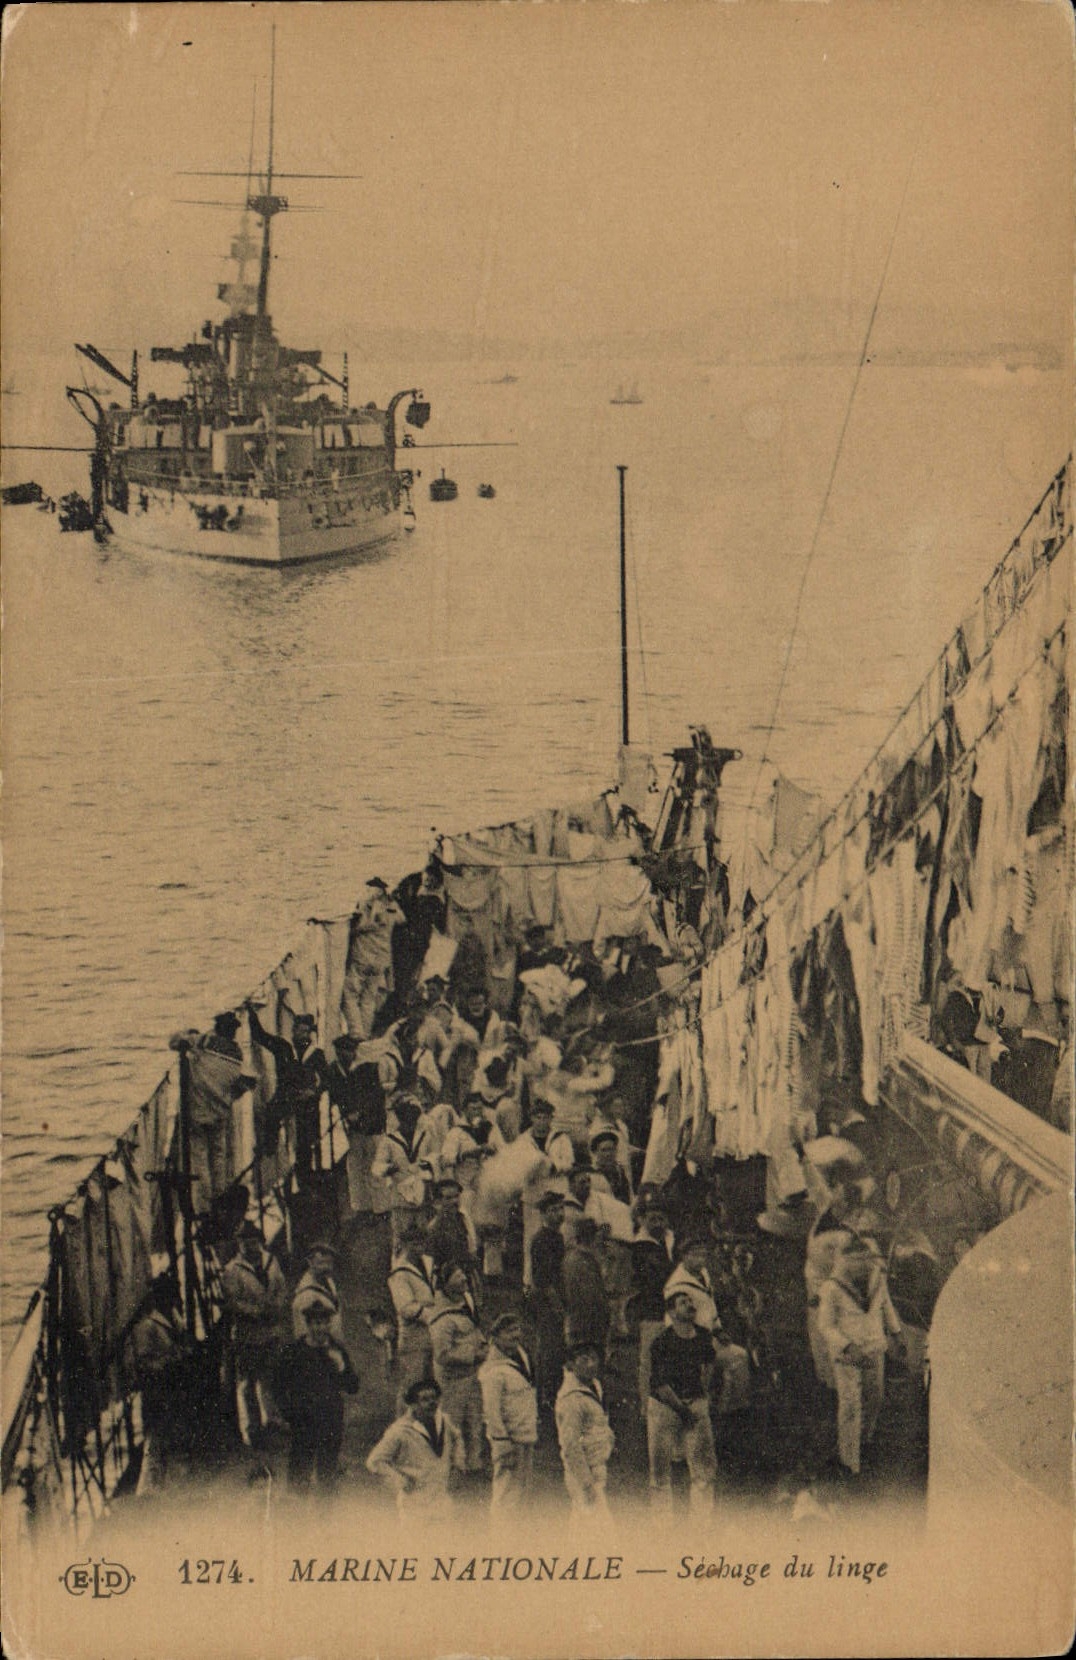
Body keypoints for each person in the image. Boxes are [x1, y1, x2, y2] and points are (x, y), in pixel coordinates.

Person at [816, 1234, 903, 1477]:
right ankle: (850, 1461)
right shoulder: (831, 1287)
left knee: (875, 1397)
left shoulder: (878, 1278)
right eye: (860, 1261)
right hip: (847, 1354)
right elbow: (826, 1326)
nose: (866, 1265)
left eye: (868, 1260)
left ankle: (865, 1439)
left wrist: (896, 1333)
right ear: (847, 1261)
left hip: (874, 1346)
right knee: (850, 1404)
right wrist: (846, 1346)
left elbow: (886, 1306)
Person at [272, 1296, 359, 1492]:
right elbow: (278, 1385)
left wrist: (341, 1366)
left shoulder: (337, 1351)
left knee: (327, 1473)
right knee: (299, 1472)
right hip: (303, 1419)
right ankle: (297, 1515)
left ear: (330, 1324)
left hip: (331, 1418)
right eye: (316, 1324)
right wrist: (289, 1413)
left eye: (325, 1323)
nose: (321, 1329)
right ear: (308, 1325)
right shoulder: (294, 1352)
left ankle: (325, 1515)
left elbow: (352, 1387)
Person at [646, 1288, 718, 1512]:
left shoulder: (704, 1336)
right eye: (683, 1302)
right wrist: (682, 1409)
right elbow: (660, 1384)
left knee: (704, 1469)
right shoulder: (662, 1342)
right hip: (664, 1406)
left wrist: (701, 1397)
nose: (690, 1305)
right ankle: (662, 1528)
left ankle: (702, 1526)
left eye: (690, 1301)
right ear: (672, 1312)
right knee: (660, 1473)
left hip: (694, 1404)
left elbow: (710, 1365)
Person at [663, 1239, 751, 1414]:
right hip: (690, 1342)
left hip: (709, 1338)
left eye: (703, 1255)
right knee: (715, 1370)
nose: (701, 1259)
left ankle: (731, 1408)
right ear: (684, 1256)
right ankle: (718, 1411)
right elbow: (674, 1321)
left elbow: (709, 1306)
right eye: (695, 1255)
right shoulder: (676, 1285)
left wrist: (718, 1330)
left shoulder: (702, 1274)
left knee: (739, 1355)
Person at [220, 1220, 287, 1447]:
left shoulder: (271, 1261)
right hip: (248, 1333)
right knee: (247, 1382)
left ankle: (274, 1420)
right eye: (244, 1243)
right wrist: (257, 1312)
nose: (250, 1246)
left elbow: (280, 1287)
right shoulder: (232, 1271)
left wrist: (276, 1307)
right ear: (239, 1245)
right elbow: (232, 1302)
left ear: (260, 1241)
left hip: (271, 1329)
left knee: (271, 1375)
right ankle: (251, 1429)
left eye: (253, 1242)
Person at [246, 1005, 328, 1186]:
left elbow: (326, 1080)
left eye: (306, 1032)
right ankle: (271, 1149)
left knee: (306, 1142)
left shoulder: (316, 1055)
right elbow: (260, 1036)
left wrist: (314, 1092)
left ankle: (304, 1177)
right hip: (286, 1094)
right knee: (271, 1114)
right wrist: (251, 1013)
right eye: (299, 1031)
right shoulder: (283, 1047)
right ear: (293, 1031)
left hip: (306, 1101)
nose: (303, 1036)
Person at [366, 1377, 464, 1520]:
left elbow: (457, 1437)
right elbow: (375, 1461)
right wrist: (400, 1480)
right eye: (424, 1400)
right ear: (413, 1405)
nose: (432, 1403)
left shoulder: (444, 1421)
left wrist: (458, 1463)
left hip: (442, 1499)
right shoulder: (400, 1430)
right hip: (414, 1502)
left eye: (434, 1398)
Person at [129, 1277, 192, 1495]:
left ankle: (173, 1485)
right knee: (155, 1441)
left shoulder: (173, 1317)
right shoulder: (146, 1326)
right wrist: (171, 1358)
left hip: (174, 1386)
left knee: (175, 1435)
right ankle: (148, 1490)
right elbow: (144, 1363)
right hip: (157, 1390)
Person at [427, 1262, 488, 1474]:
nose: (464, 1279)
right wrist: (472, 1356)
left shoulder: (466, 1301)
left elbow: (475, 1328)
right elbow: (442, 1354)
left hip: (472, 1375)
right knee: (452, 1422)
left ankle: (474, 1464)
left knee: (475, 1420)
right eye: (458, 1276)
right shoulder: (442, 1316)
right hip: (452, 1379)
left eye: (463, 1274)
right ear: (445, 1284)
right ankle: (450, 1465)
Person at [478, 1312, 539, 1511]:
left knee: (523, 1493)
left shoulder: (520, 1358)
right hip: (508, 1439)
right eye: (508, 1331)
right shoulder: (493, 1371)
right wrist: (501, 1441)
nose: (515, 1335)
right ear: (495, 1337)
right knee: (507, 1493)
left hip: (525, 1435)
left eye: (517, 1329)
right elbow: (491, 1411)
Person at [555, 1341, 615, 1518]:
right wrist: (586, 1483)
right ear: (570, 1365)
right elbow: (570, 1445)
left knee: (586, 1527)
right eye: (584, 1359)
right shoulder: (572, 1400)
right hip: (583, 1472)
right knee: (593, 1526)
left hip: (597, 1466)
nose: (591, 1364)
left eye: (594, 1359)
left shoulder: (594, 1386)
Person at [632, 1197, 676, 1421]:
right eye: (652, 1219)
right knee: (649, 1358)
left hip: (669, 1308)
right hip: (652, 1309)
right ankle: (646, 1408)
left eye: (661, 1218)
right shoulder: (642, 1247)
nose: (657, 1223)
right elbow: (656, 1277)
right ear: (643, 1221)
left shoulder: (669, 1240)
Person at [371, 1091, 434, 1247]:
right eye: (406, 1121)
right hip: (399, 1196)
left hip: (422, 1196)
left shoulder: (425, 1136)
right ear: (400, 1120)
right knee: (400, 1237)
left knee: (423, 1236)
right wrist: (389, 1168)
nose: (410, 1125)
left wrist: (429, 1164)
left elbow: (436, 1156)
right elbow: (377, 1166)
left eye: (413, 1121)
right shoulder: (389, 1141)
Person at [386, 1227, 437, 1410]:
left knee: (432, 1382)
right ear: (405, 1245)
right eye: (414, 1244)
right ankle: (403, 1422)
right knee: (411, 1384)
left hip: (434, 1333)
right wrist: (433, 1316)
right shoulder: (399, 1272)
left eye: (422, 1243)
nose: (419, 1247)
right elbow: (406, 1308)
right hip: (413, 1335)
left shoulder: (429, 1263)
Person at [529, 1190, 568, 1412]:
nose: (559, 1214)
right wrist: (557, 1306)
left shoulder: (558, 1236)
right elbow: (545, 1281)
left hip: (557, 1299)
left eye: (560, 1209)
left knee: (556, 1349)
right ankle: (545, 1397)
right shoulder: (542, 1240)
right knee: (549, 1349)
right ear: (543, 1214)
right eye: (553, 1210)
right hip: (547, 1301)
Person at [563, 1216, 610, 1357]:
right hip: (587, 1323)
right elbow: (591, 1297)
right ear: (590, 1237)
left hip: (577, 1321)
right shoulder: (583, 1261)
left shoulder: (573, 1258)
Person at [291, 1240, 343, 1341]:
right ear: (310, 1262)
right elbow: (304, 1332)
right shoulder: (306, 1294)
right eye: (321, 1263)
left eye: (329, 1263)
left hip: (333, 1342)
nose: (326, 1267)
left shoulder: (328, 1281)